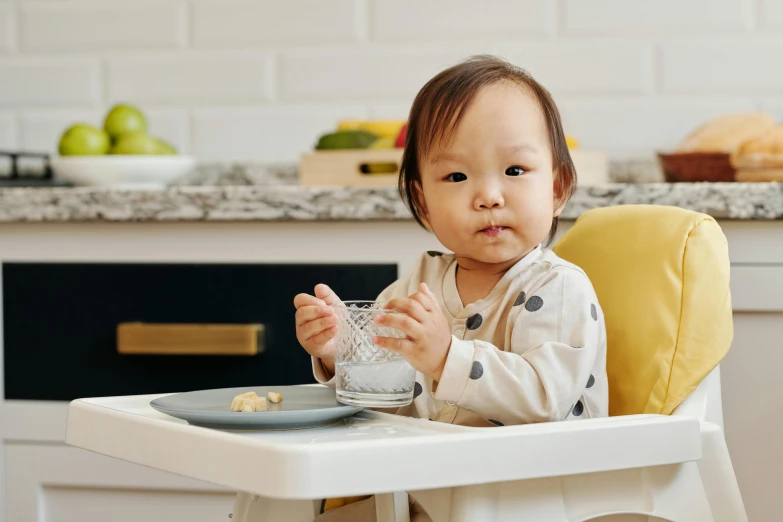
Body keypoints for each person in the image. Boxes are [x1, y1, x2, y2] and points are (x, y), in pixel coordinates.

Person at [294, 55, 608, 521]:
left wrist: (446, 358)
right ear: (423, 200)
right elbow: (388, 402)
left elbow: (544, 401)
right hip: (423, 494)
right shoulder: (416, 286)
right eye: (457, 177)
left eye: (515, 171)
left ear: (558, 188)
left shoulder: (558, 289)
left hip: (527, 501)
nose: (489, 196)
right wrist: (340, 352)